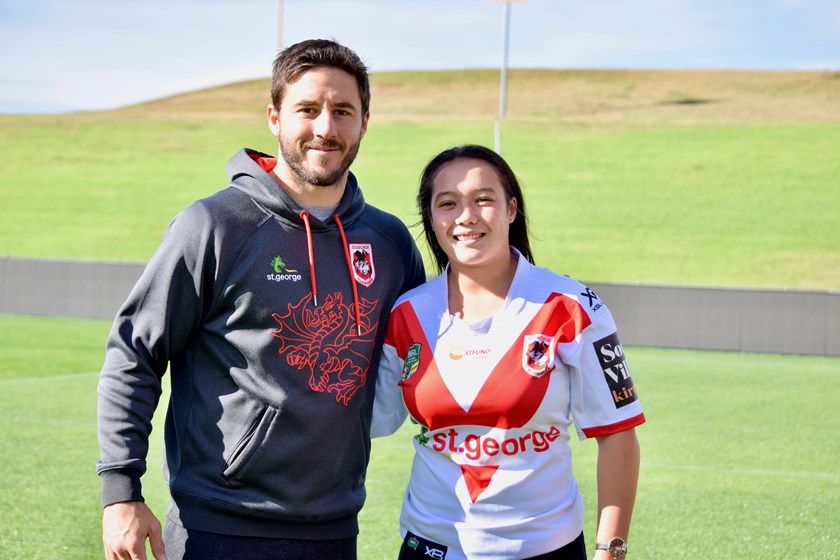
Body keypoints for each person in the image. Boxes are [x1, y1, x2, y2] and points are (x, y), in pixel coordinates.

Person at [96, 39, 426, 560]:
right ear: (274, 117)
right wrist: (120, 493)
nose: (325, 128)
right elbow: (134, 353)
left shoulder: (388, 243)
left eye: (343, 111)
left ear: (365, 121)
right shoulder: (214, 226)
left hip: (336, 530)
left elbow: (427, 356)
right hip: (216, 529)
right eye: (307, 109)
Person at [372, 145, 644, 560]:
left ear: (512, 208)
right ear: (432, 218)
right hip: (428, 546)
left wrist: (612, 551)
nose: (466, 216)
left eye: (483, 199)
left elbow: (618, 434)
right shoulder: (406, 313)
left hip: (544, 548)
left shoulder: (572, 306)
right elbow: (371, 417)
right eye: (448, 203)